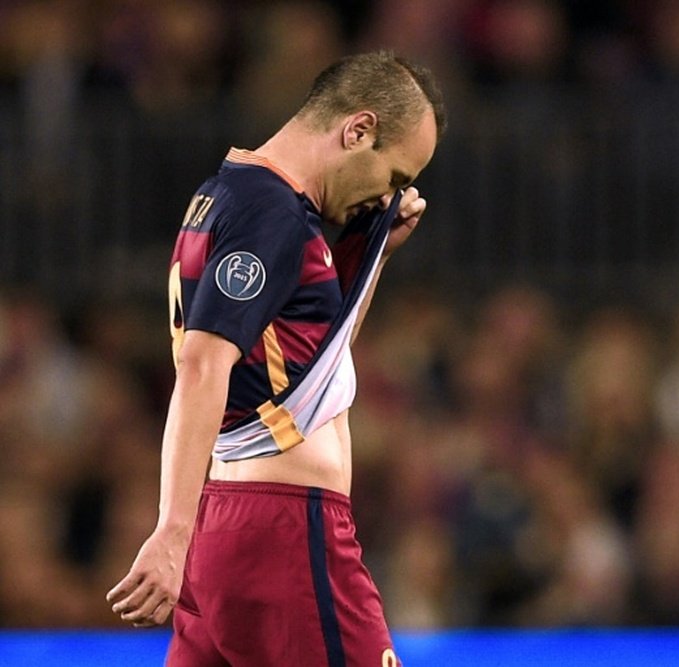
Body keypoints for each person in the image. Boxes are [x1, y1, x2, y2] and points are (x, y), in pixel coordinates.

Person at [106, 50, 446, 666]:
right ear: (358, 130)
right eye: (394, 176)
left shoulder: (234, 195)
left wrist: (375, 261)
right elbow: (205, 364)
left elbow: (309, 368)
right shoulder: (273, 213)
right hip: (283, 533)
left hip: (230, 528)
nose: (391, 197)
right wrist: (170, 530)